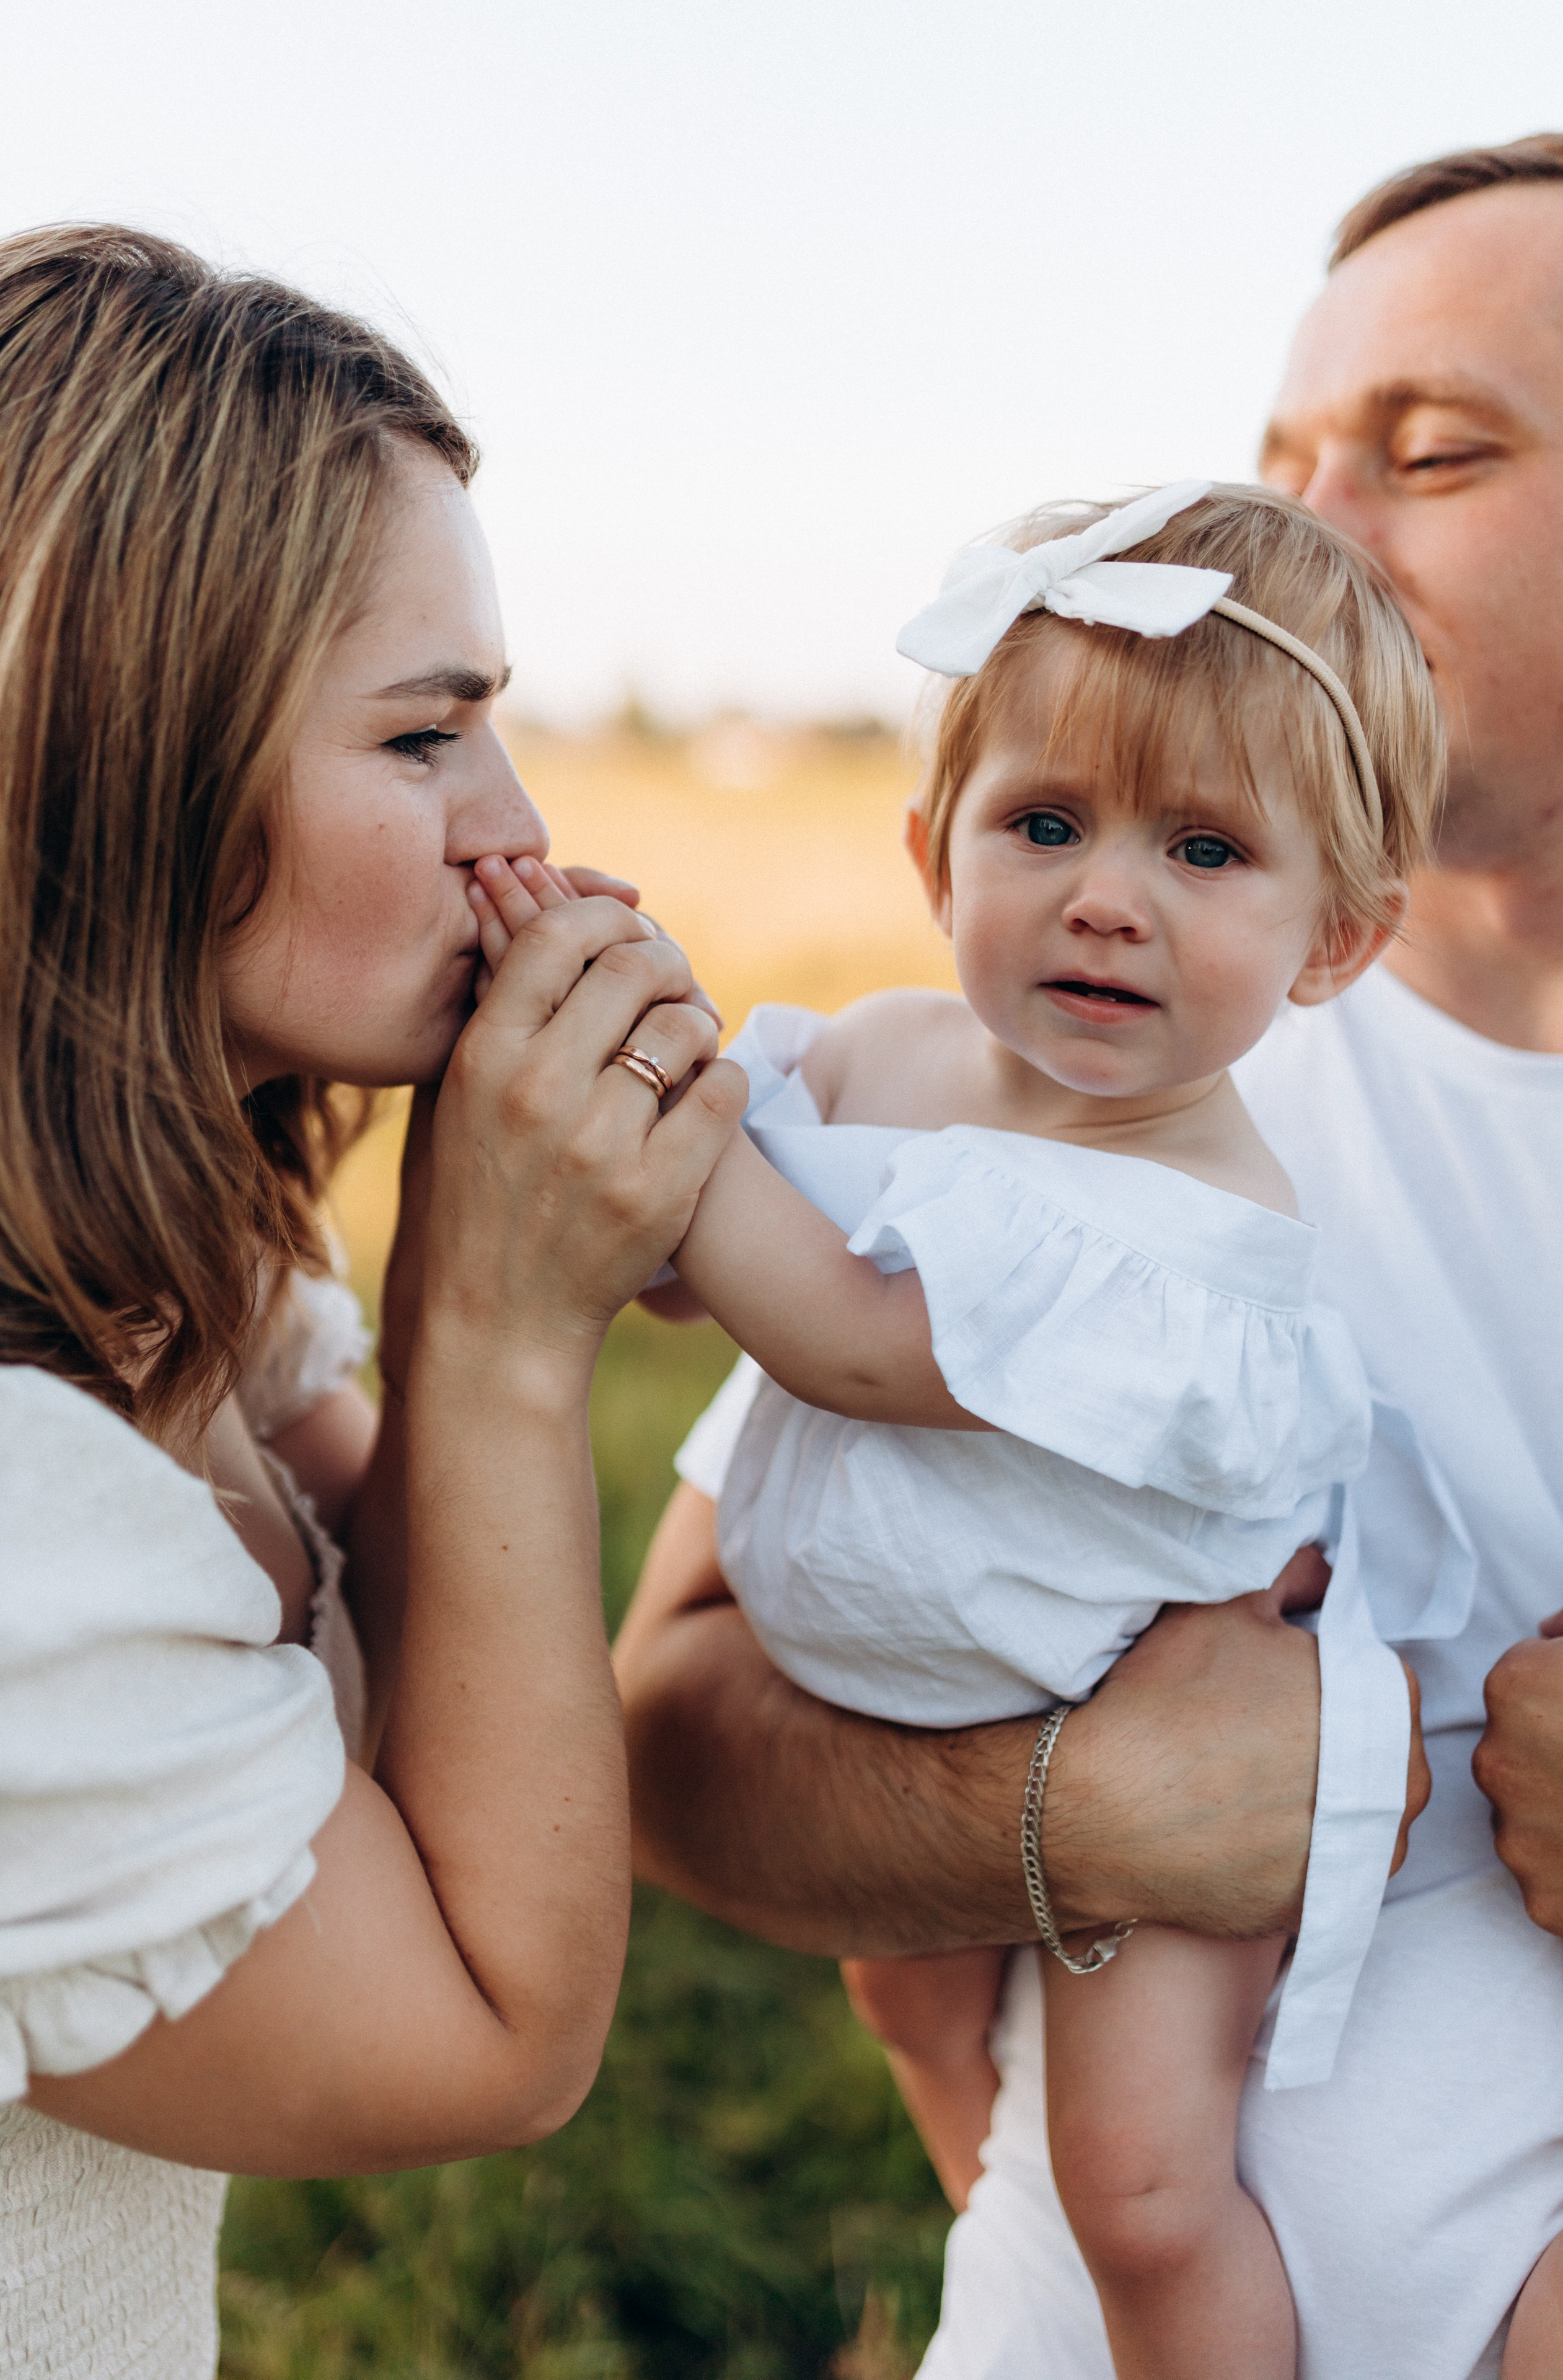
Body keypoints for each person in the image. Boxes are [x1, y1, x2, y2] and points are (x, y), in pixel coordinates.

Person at [614, 131, 1563, 2378]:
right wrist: (1066, 1814)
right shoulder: (1058, 1079)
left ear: (1313, 923)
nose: (1300, 533)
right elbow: (669, 1732)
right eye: (1275, 458)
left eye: (1432, 451)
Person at [479, 480, 1440, 2378]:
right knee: (911, 2002)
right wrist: (630, 1028)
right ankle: (964, 2180)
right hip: (923, 1713)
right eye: (1050, 821)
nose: (1109, 894)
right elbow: (684, 1276)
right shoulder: (877, 1057)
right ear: (938, 849)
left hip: (1185, 1750)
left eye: (1208, 850)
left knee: (1143, 2192)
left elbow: (841, 1337)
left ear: (1336, 939)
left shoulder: (1191, 1223)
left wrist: (660, 1108)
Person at [0, 224, 743, 2378]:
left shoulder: (187, 1262)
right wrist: (503, 1328)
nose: (516, 832)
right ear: (116, 755)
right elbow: (487, 2035)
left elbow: (441, 1700)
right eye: (425, 739)